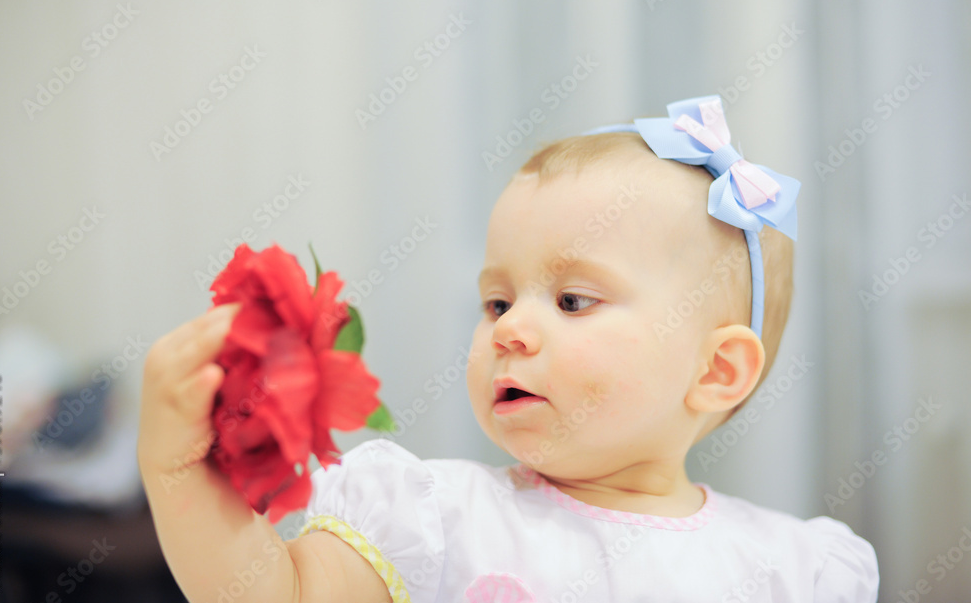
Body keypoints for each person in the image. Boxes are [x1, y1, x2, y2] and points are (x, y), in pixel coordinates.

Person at [138, 96, 879, 602]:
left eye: (572, 301)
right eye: (497, 301)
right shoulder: (435, 519)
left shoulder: (796, 570)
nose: (507, 329)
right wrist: (176, 469)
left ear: (716, 370)